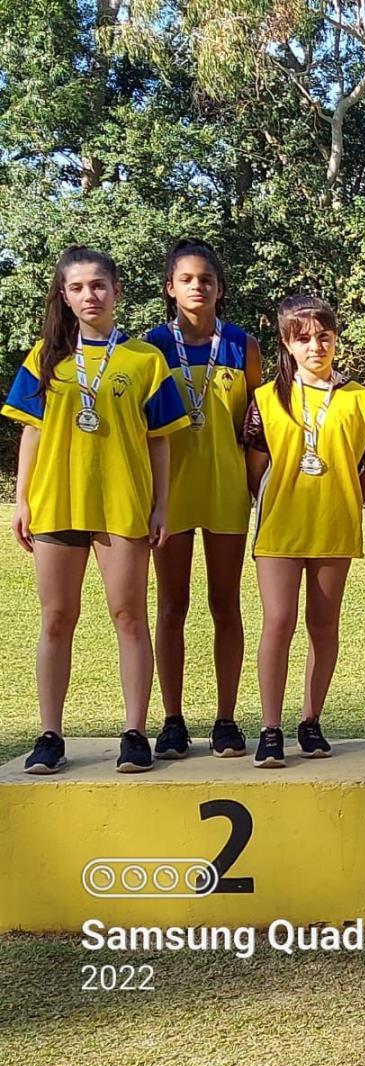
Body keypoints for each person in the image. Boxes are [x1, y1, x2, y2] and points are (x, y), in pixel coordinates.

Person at [6, 246, 188, 775]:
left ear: (117, 292)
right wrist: (22, 500)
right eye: (79, 287)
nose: (90, 295)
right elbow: (32, 433)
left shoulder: (143, 361)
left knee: (129, 617)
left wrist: (160, 505)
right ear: (65, 295)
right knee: (57, 618)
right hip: (58, 503)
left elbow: (160, 441)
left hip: (122, 504)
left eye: (99, 286)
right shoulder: (45, 357)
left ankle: (134, 731)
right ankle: (49, 735)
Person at [244, 295, 365, 768]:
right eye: (303, 338)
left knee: (323, 625)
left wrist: (349, 496)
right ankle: (270, 728)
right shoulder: (266, 399)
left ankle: (310, 720)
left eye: (323, 336)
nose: (315, 347)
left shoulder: (364, 401)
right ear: (286, 343)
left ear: (335, 338)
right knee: (278, 622)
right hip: (280, 527)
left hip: (333, 525)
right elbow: (255, 464)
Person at [144, 239, 263, 760]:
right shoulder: (149, 347)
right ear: (170, 288)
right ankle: (171, 720)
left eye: (207, 279)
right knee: (171, 605)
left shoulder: (243, 345)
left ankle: (226, 719)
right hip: (168, 494)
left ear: (220, 288)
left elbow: (258, 425)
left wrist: (259, 484)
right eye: (187, 279)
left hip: (225, 490)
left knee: (225, 604)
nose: (198, 286)